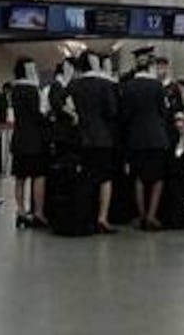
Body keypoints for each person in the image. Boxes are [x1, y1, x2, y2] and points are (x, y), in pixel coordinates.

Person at [70, 51, 121, 233]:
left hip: (81, 137)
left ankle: (85, 217)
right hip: (103, 137)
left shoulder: (74, 85)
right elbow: (112, 111)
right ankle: (102, 217)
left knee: (86, 178)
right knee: (105, 178)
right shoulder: (104, 85)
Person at [122, 52, 172, 230]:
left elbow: (125, 114)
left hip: (136, 138)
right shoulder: (157, 86)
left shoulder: (128, 87)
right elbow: (163, 113)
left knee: (139, 178)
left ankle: (142, 215)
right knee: (157, 178)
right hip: (157, 138)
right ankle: (152, 215)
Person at [10, 59, 49, 228]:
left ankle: (20, 211)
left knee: (20, 177)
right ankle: (38, 213)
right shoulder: (33, 90)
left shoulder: (15, 90)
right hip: (34, 140)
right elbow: (37, 115)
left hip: (18, 138)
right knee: (38, 176)